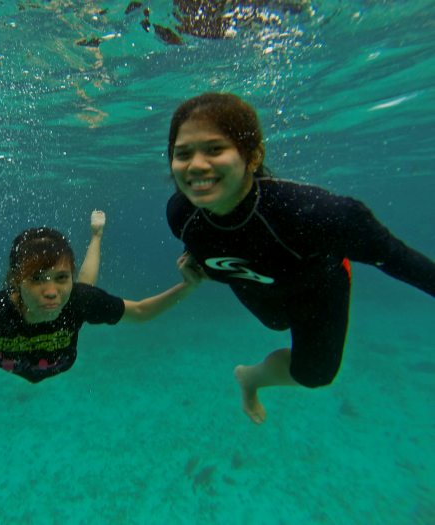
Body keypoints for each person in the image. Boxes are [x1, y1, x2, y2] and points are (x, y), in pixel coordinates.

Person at [165, 92, 435, 424]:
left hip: (317, 291)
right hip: (258, 292)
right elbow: (204, 245)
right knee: (275, 322)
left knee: (315, 375)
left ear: (253, 157)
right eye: (183, 154)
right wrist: (196, 267)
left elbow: (400, 259)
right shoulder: (181, 215)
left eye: (215, 149)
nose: (196, 165)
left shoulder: (318, 215)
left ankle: (250, 378)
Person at [0, 211, 204, 383]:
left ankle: (96, 236)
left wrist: (187, 286)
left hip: (70, 325)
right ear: (15, 281)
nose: (51, 290)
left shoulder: (75, 299)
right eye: (36, 280)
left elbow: (142, 311)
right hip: (26, 359)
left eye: (60, 277)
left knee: (82, 293)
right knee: (80, 294)